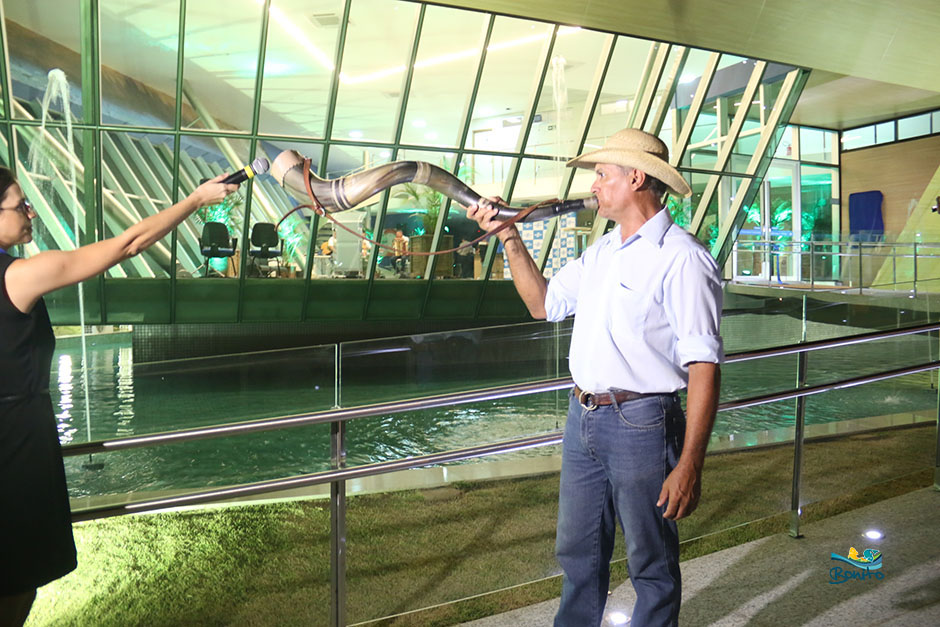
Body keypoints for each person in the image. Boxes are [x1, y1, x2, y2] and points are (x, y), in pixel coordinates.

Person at [466, 128, 722, 626]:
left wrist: (690, 463)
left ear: (636, 177)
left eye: (603, 174)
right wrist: (508, 236)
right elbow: (543, 304)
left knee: (651, 560)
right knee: (577, 554)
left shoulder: (683, 258)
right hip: (581, 418)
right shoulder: (602, 252)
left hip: (644, 422)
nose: (595, 185)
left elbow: (705, 366)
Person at [0, 167, 236, 626]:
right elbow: (129, 244)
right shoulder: (19, 276)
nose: (31, 212)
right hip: (16, 442)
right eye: (18, 204)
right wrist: (194, 200)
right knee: (16, 575)